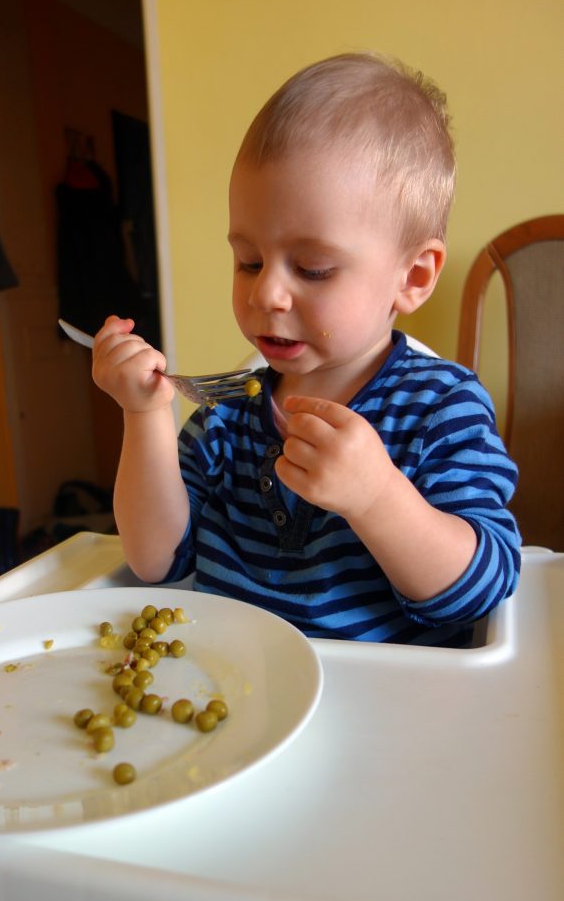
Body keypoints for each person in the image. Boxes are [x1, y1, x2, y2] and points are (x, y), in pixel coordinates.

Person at [92, 52, 521, 646]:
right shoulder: (226, 414)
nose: (265, 293)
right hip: (234, 685)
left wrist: (376, 498)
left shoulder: (441, 409)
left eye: (313, 268)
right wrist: (143, 415)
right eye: (249, 261)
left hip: (384, 696)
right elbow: (155, 562)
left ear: (414, 277)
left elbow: (481, 591)